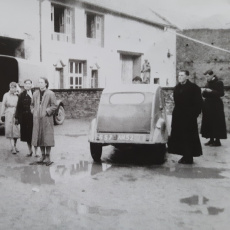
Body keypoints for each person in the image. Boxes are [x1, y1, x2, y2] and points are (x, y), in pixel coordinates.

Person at [168, 70, 203, 164]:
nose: (179, 77)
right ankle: (184, 155)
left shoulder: (194, 88)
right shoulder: (177, 87)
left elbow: (199, 103)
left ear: (187, 77)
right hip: (178, 116)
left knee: (189, 137)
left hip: (189, 117)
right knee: (180, 136)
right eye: (179, 75)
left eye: (182, 75)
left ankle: (189, 156)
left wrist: (194, 114)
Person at [31, 77, 57, 165]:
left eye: (42, 82)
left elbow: (54, 105)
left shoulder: (50, 93)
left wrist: (47, 111)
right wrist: (33, 111)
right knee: (39, 136)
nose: (40, 84)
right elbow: (32, 105)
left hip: (47, 119)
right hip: (37, 119)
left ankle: (48, 156)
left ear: (46, 83)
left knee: (47, 137)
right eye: (39, 82)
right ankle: (42, 156)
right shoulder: (35, 94)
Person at [201, 70, 227, 146]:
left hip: (216, 105)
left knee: (217, 122)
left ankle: (217, 141)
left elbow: (221, 93)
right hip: (208, 105)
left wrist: (211, 91)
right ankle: (211, 139)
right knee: (209, 122)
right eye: (206, 76)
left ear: (213, 75)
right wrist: (203, 92)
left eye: (208, 76)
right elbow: (205, 96)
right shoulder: (207, 83)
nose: (207, 77)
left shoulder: (219, 82)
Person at [15, 79, 38, 157]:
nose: (27, 85)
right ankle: (30, 151)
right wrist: (17, 117)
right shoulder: (21, 95)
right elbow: (18, 107)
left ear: (31, 85)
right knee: (27, 135)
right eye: (26, 84)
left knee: (34, 134)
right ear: (24, 86)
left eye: (29, 84)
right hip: (24, 118)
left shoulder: (35, 93)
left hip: (33, 117)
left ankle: (36, 152)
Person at [0, 82, 20, 154]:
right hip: (8, 113)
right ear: (9, 87)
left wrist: (18, 93)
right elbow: (3, 105)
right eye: (11, 87)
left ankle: (15, 145)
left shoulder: (17, 95)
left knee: (16, 130)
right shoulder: (6, 95)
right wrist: (2, 114)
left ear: (16, 88)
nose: (12, 89)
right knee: (10, 130)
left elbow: (20, 105)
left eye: (14, 87)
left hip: (16, 114)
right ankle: (13, 147)